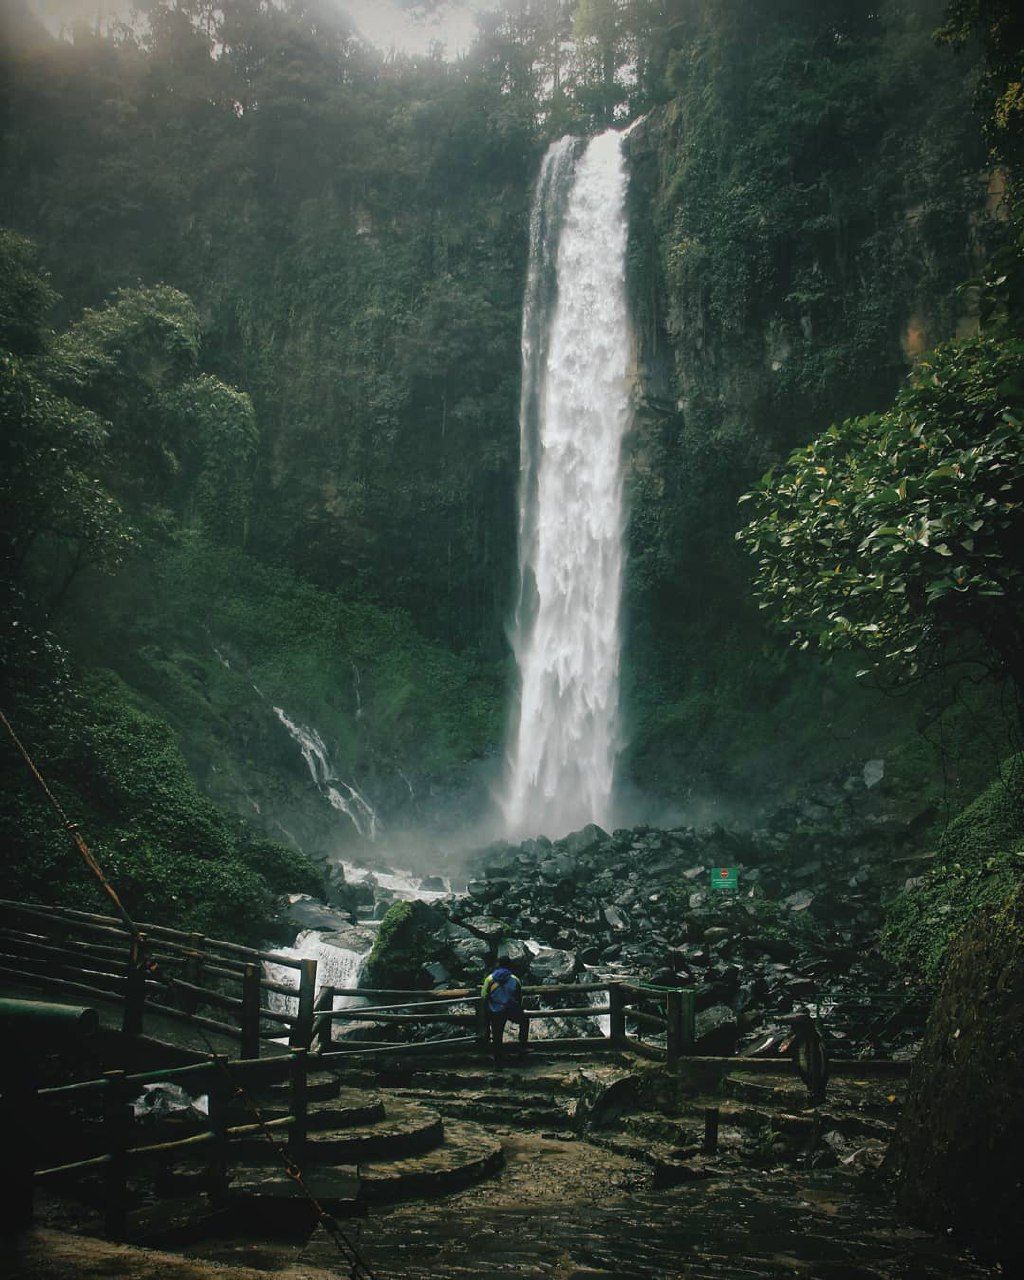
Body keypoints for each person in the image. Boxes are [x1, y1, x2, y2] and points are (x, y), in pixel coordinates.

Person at [482, 961, 529, 1068]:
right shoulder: (515, 979)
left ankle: (498, 1063)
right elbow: (519, 997)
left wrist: (487, 1013)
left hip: (495, 1010)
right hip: (511, 1009)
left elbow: (484, 996)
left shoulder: (490, 979)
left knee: (497, 1036)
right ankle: (522, 1046)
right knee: (525, 1021)